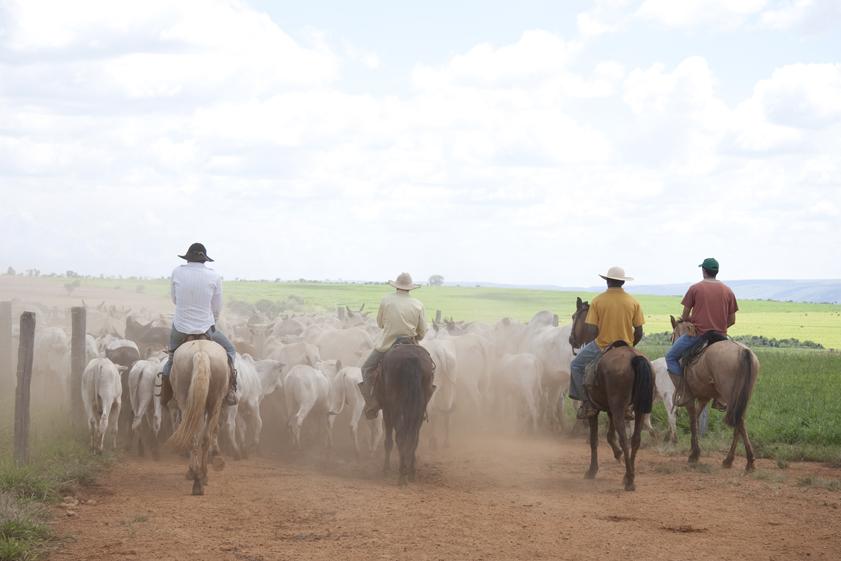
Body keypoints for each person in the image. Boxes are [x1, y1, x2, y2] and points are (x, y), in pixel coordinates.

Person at [159, 243, 238, 406]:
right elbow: (217, 307)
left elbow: (174, 300)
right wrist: (211, 322)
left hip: (180, 327)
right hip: (206, 327)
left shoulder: (177, 271)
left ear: (188, 258)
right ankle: (230, 390)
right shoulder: (214, 276)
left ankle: (166, 395)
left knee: (172, 359)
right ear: (204, 260)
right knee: (230, 350)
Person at [569, 266, 645, 419]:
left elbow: (591, 329)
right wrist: (629, 347)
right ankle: (631, 407)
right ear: (622, 282)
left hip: (602, 345)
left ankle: (587, 403)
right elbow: (639, 332)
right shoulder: (633, 302)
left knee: (576, 365)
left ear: (607, 281)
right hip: (626, 346)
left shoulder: (598, 301)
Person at [666, 257, 738, 406]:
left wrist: (692, 320)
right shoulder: (728, 291)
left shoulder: (695, 288)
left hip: (698, 335)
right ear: (716, 272)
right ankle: (722, 398)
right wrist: (718, 327)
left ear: (704, 271)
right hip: (721, 337)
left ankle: (684, 392)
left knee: (671, 357)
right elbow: (732, 320)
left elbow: (685, 317)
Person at [358, 272, 428, 420]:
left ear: (396, 286)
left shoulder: (386, 300)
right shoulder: (418, 304)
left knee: (366, 368)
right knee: (429, 372)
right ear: (410, 288)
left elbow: (380, 323)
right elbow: (422, 331)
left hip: (387, 344)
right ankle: (423, 406)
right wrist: (417, 337)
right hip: (411, 343)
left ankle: (372, 403)